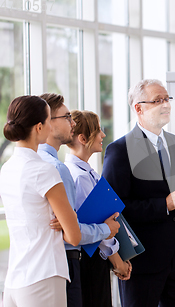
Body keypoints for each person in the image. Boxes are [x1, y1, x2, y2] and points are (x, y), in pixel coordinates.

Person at [102, 79, 175, 307]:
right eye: (158, 100)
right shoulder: (119, 150)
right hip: (142, 261)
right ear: (139, 108)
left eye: (167, 99)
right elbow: (115, 208)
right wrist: (163, 204)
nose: (166, 105)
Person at [37, 93, 120, 307]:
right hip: (74, 259)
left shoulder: (36, 165)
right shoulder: (62, 170)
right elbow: (73, 232)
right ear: (46, 123)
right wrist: (105, 230)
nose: (71, 124)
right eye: (66, 118)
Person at [0, 96, 81, 307]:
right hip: (44, 277)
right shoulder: (45, 170)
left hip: (15, 281)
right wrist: (64, 222)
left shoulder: (6, 169)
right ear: (39, 127)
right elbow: (74, 236)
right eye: (48, 120)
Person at [65, 110, 132, 307]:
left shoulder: (86, 172)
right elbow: (96, 227)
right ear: (83, 138)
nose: (103, 135)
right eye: (98, 130)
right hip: (90, 259)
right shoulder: (80, 177)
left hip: (93, 257)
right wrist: (118, 263)